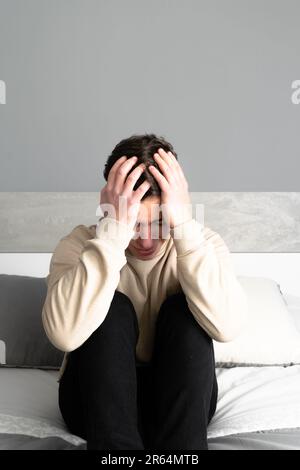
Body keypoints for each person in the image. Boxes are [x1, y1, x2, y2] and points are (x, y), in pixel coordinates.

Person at [42, 133, 248, 450]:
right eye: (135, 224)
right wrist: (113, 235)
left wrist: (184, 228)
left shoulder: (201, 244)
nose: (147, 241)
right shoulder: (80, 246)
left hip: (179, 408)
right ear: (110, 210)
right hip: (94, 403)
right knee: (111, 308)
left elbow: (228, 327)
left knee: (184, 312)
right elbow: (64, 336)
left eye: (161, 221)